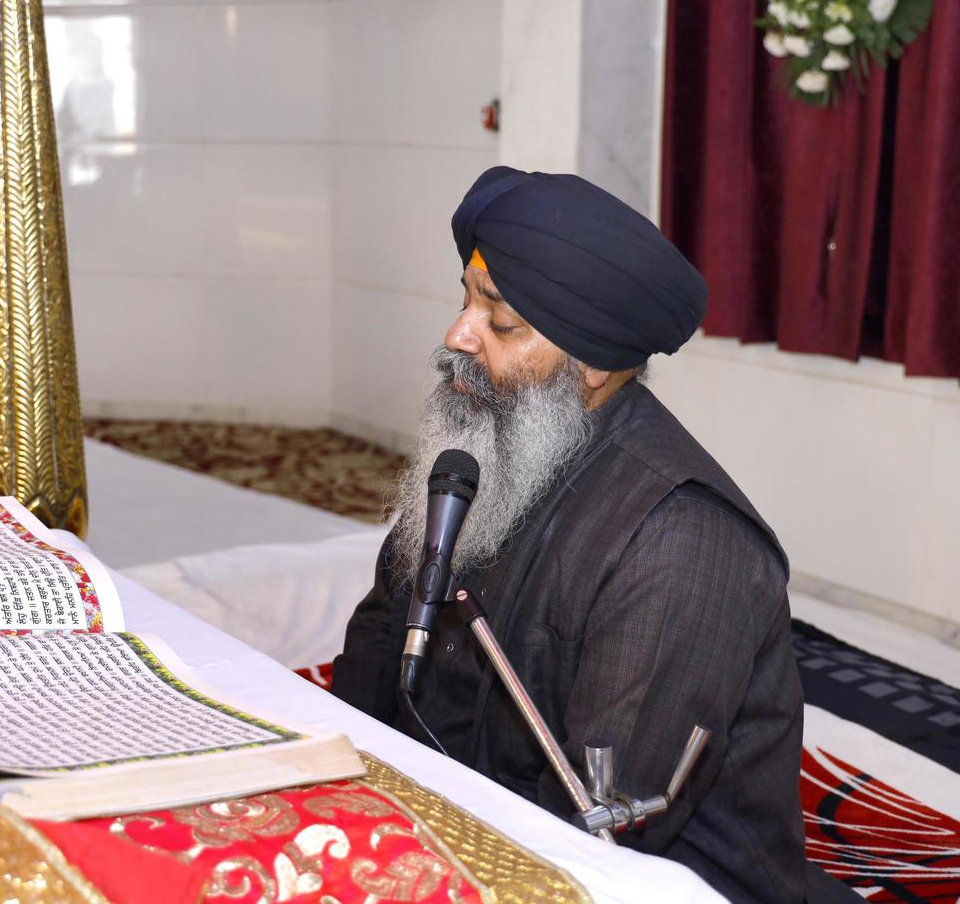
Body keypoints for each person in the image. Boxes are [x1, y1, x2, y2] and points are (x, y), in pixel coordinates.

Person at [331, 167, 807, 902]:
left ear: (592, 363)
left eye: (502, 321)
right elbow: (374, 662)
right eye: (465, 298)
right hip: (455, 828)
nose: (457, 335)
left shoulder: (681, 541)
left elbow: (602, 823)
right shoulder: (473, 457)